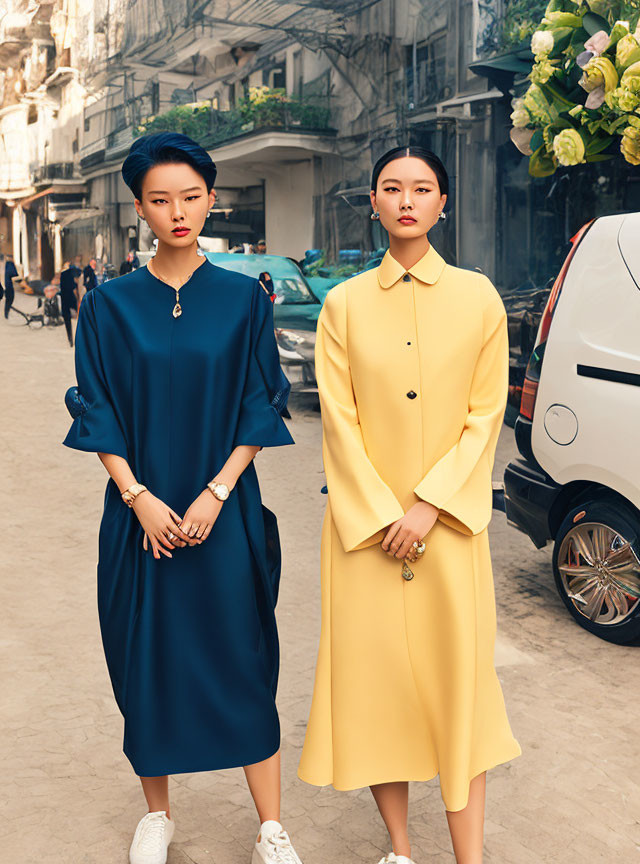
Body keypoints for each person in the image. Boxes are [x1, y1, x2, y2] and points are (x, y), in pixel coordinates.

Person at [62, 131, 302, 864]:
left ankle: (269, 828)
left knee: (243, 656)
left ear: (211, 199)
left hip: (222, 516)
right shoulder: (108, 306)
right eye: (161, 200)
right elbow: (95, 408)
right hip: (139, 518)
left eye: (191, 197)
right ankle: (158, 816)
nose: (178, 212)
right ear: (140, 208)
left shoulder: (243, 299)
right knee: (148, 659)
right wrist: (138, 498)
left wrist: (214, 494)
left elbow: (261, 405)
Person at [298, 146, 521, 864]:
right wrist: (382, 514)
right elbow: (341, 422)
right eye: (391, 188)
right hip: (365, 541)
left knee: (462, 693)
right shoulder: (344, 305)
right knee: (378, 693)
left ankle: (470, 858)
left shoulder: (480, 298)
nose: (406, 200)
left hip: (451, 534)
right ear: (372, 201)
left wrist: (427, 507)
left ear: (442, 203)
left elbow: (485, 419)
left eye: (421, 188)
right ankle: (400, 849)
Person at [59, 260, 82, 346]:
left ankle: (70, 339)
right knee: (79, 318)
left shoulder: (63, 274)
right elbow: (74, 290)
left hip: (64, 298)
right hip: (71, 298)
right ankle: (76, 339)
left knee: (67, 320)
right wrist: (78, 299)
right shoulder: (73, 274)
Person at [4, 255, 18, 319]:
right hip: (7, 286)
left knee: (8, 299)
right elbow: (14, 275)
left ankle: (6, 313)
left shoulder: (7, 264)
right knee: (10, 298)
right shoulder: (10, 264)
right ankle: (6, 314)